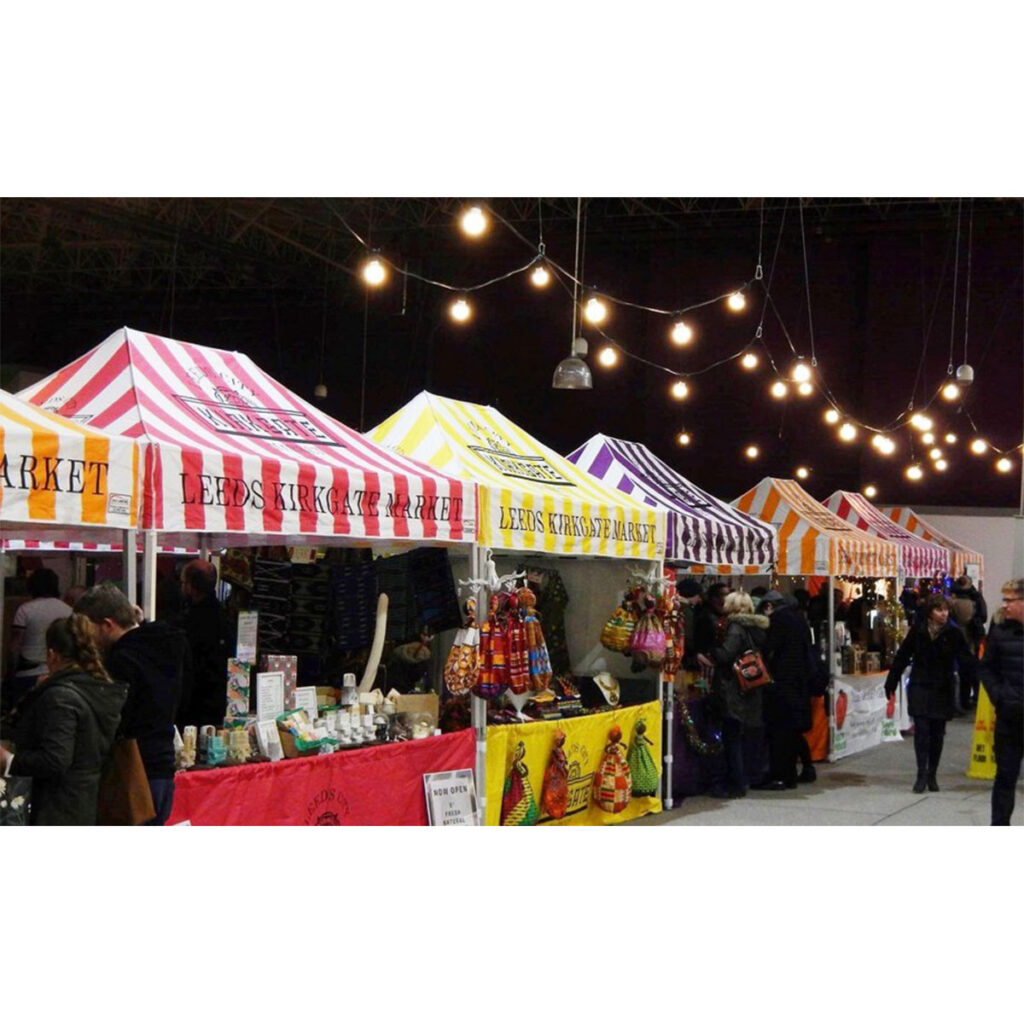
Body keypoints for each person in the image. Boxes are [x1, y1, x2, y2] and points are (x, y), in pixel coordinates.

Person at [74, 582, 188, 825]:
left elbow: (115, 719)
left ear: (107, 624)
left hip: (133, 771)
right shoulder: (167, 644)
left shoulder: (122, 661)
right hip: (162, 765)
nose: (85, 638)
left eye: (88, 628)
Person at [0, 615, 127, 825]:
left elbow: (56, 760)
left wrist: (8, 760)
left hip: (54, 808)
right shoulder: (98, 690)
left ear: (52, 655)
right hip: (84, 802)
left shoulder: (60, 697)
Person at [885, 592, 978, 793]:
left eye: (945, 610)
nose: (943, 614)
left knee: (937, 734)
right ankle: (921, 773)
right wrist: (891, 682)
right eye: (939, 610)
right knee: (922, 732)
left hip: (942, 688)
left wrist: (980, 681)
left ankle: (932, 773)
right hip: (920, 685)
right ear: (930, 612)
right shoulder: (918, 631)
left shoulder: (953, 634)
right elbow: (903, 656)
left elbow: (965, 660)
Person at [700, 590, 769, 798]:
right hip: (749, 688)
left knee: (732, 737)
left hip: (733, 689)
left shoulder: (735, 628)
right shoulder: (756, 628)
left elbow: (726, 654)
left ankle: (736, 784)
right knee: (742, 736)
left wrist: (710, 651)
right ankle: (745, 778)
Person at [759, 589, 815, 789]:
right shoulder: (799, 619)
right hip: (799, 683)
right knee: (791, 733)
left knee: (780, 733)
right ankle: (789, 774)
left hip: (783, 683)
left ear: (768, 606)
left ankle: (780, 776)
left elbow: (768, 648)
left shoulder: (779, 621)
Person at [979, 579, 1023, 826]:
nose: (1005, 605)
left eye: (1010, 600)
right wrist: (1000, 697)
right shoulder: (1000, 631)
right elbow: (986, 669)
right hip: (1010, 718)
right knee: (1005, 777)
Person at [177, 559, 235, 728]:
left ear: (190, 587)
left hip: (194, 705)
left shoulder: (189, 621)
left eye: (183, 582)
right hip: (219, 701)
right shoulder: (224, 617)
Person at [6, 568, 73, 710]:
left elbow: (16, 645)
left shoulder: (25, 610)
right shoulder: (68, 610)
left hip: (27, 673)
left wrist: (10, 670)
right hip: (59, 673)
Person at [950, 574, 988, 708]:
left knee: (963, 671)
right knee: (973, 670)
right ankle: (974, 698)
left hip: (959, 637)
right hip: (973, 637)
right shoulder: (975, 598)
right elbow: (983, 616)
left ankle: (963, 700)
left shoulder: (952, 600)